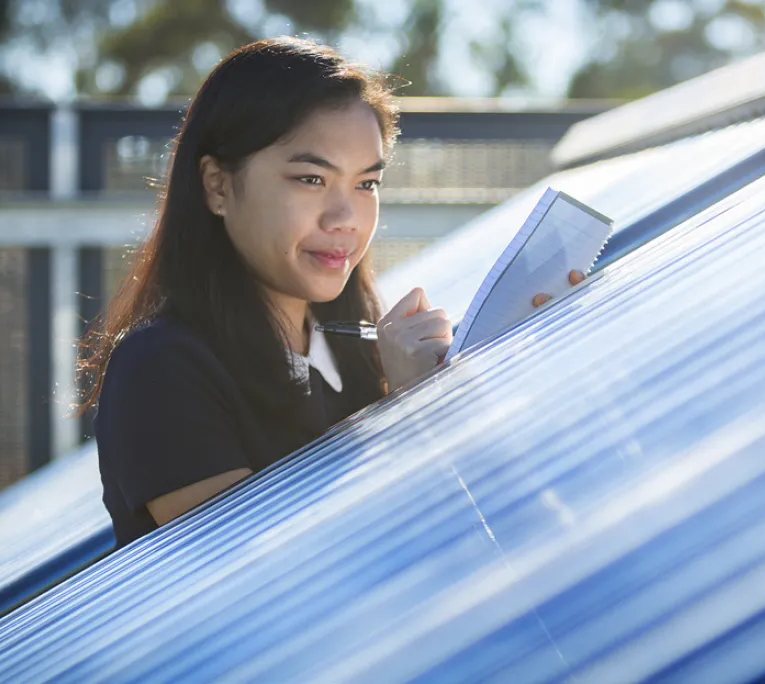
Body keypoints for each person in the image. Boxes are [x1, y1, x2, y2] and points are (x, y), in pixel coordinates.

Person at [76, 37, 584, 549]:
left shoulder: (357, 352)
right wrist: (408, 419)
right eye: (312, 179)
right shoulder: (160, 367)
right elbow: (260, 580)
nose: (345, 219)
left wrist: (523, 369)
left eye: (366, 185)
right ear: (217, 187)